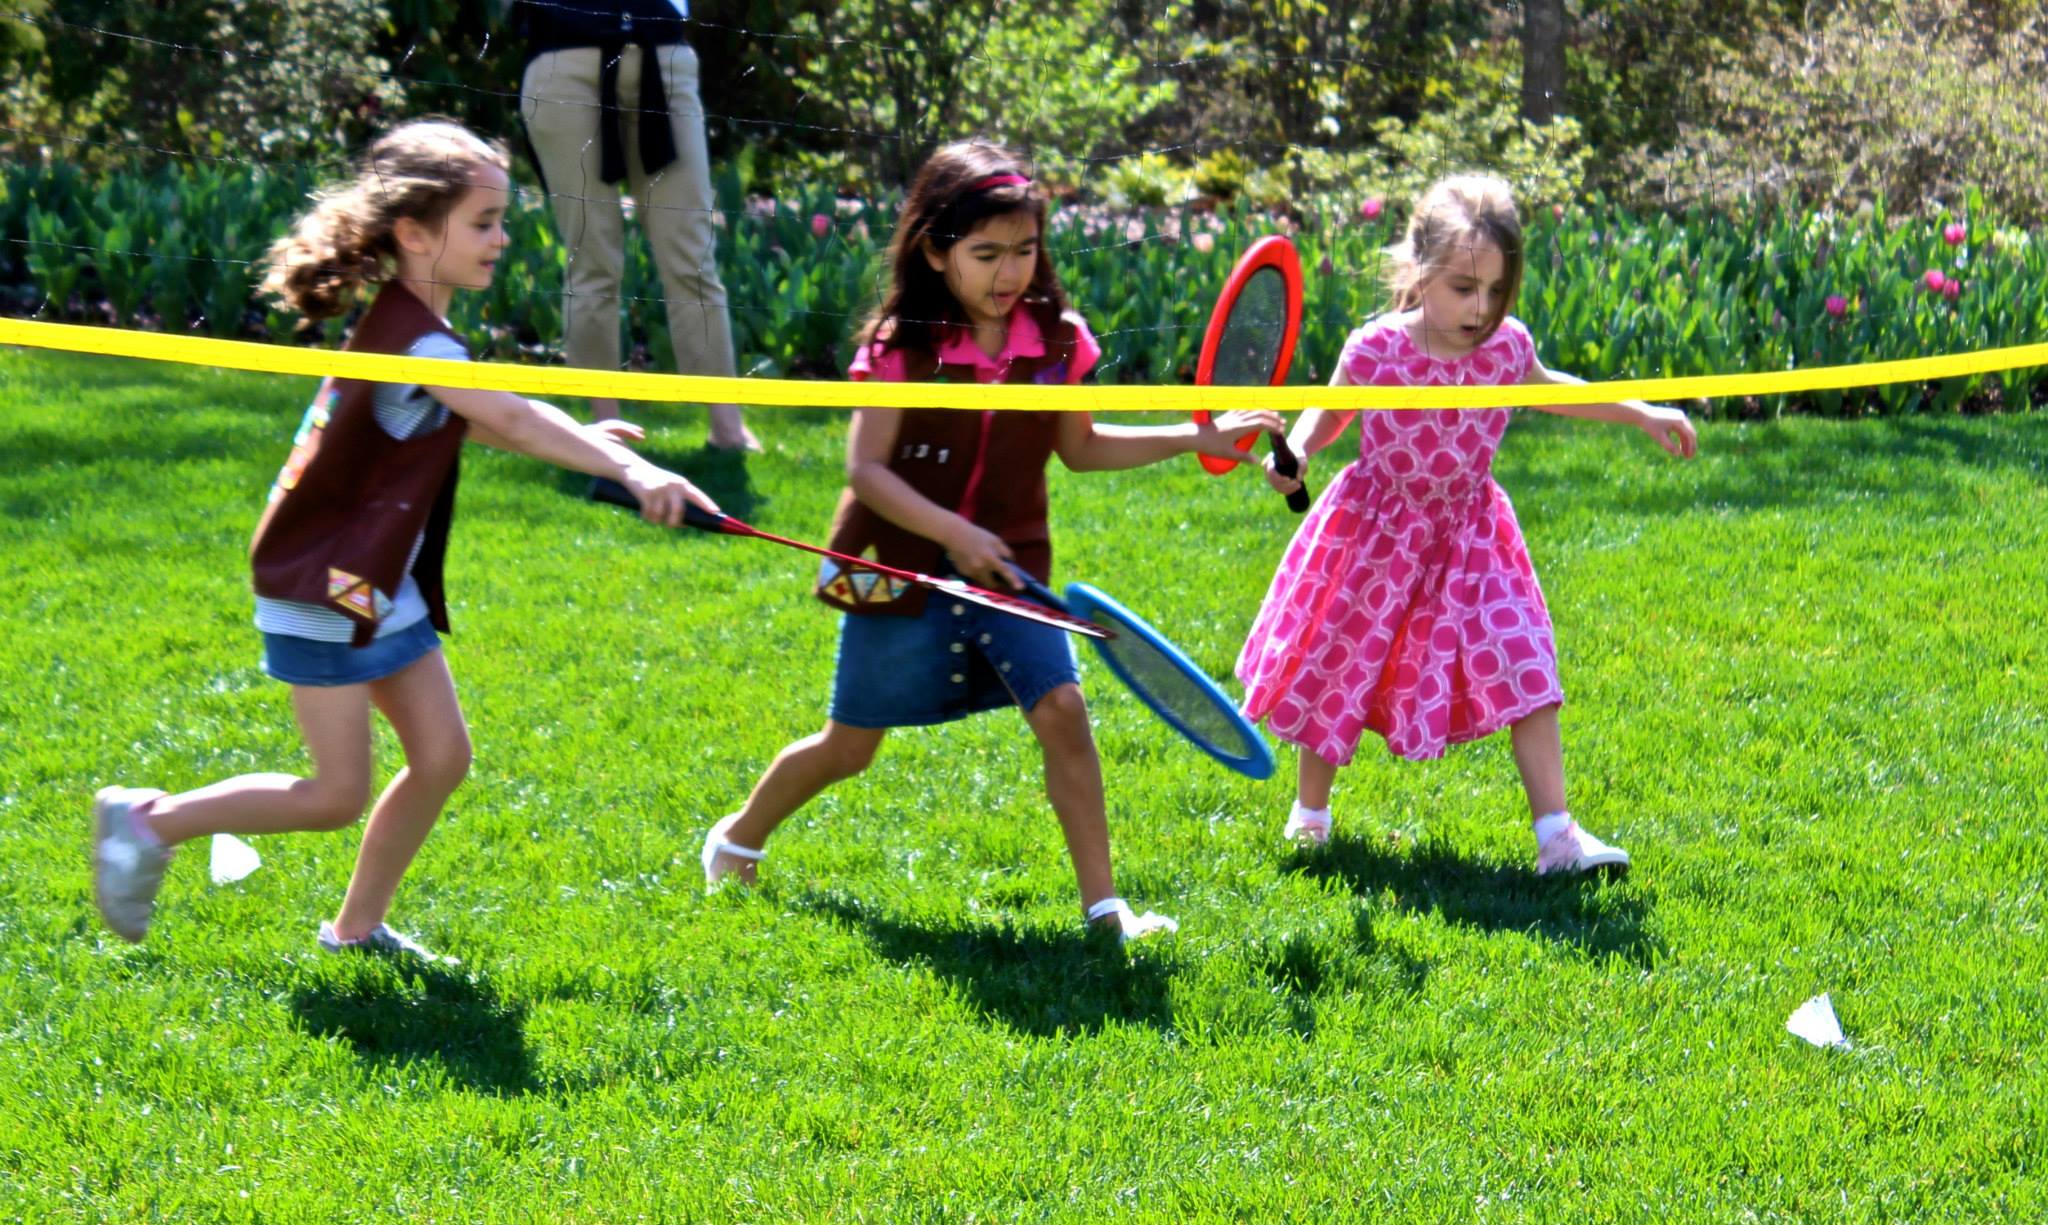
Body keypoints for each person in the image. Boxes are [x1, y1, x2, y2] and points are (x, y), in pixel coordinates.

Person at [90, 120, 717, 959]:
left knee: (442, 756)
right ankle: (148, 820)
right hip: (322, 588)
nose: (501, 239)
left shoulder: (414, 329)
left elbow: (485, 410)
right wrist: (632, 475)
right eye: (484, 221)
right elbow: (504, 417)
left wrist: (599, 443)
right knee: (333, 792)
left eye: (501, 219)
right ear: (416, 232)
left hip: (375, 580)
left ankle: (355, 931)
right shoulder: (415, 339)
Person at [699, 141, 1282, 942]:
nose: (1009, 272)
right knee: (849, 746)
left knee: (1064, 712)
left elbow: (1078, 448)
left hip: (1011, 566)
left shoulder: (1055, 342)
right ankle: (735, 840)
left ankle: (1106, 912)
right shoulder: (902, 347)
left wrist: (1192, 436)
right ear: (936, 251)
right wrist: (950, 534)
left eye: (1024, 249)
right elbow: (867, 472)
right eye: (986, 253)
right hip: (899, 569)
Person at [1239, 174, 1698, 874]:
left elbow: (1556, 392)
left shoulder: (1507, 347)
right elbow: (1327, 413)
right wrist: (1297, 452)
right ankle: (1310, 816)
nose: (1480, 307)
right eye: (1463, 288)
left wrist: (1641, 410)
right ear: (1420, 272)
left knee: (1526, 661)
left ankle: (1558, 838)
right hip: (1378, 530)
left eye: (1495, 290)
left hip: (1471, 533)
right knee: (1337, 665)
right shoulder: (1377, 348)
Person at [510, 0, 760, 452]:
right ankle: (607, 435)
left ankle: (728, 430)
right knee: (592, 260)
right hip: (561, 59)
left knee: (692, 258)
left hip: (662, 54)